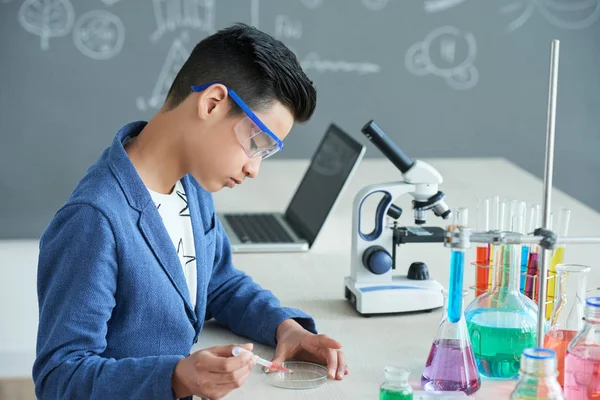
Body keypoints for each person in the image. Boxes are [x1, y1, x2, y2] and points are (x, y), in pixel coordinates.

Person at [32, 23, 348, 400]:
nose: (254, 168)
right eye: (256, 143)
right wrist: (175, 377)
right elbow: (59, 377)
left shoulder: (191, 184)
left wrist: (283, 327)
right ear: (212, 103)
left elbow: (218, 283)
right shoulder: (94, 220)